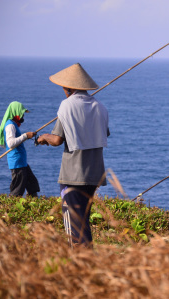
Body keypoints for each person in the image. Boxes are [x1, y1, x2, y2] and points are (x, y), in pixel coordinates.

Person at [37, 63, 109, 248]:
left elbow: (57, 140)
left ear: (69, 87)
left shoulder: (66, 106)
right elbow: (104, 133)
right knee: (83, 220)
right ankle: (87, 260)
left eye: (63, 87)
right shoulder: (99, 106)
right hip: (94, 174)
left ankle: (79, 263)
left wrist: (43, 137)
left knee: (73, 224)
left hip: (73, 175)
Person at [0, 101, 40, 197]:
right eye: (21, 113)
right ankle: (10, 209)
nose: (23, 115)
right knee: (17, 190)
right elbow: (11, 143)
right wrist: (25, 135)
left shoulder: (12, 124)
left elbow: (5, 141)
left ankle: (34, 204)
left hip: (21, 161)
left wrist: (27, 136)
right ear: (16, 112)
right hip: (17, 163)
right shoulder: (10, 125)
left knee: (32, 184)